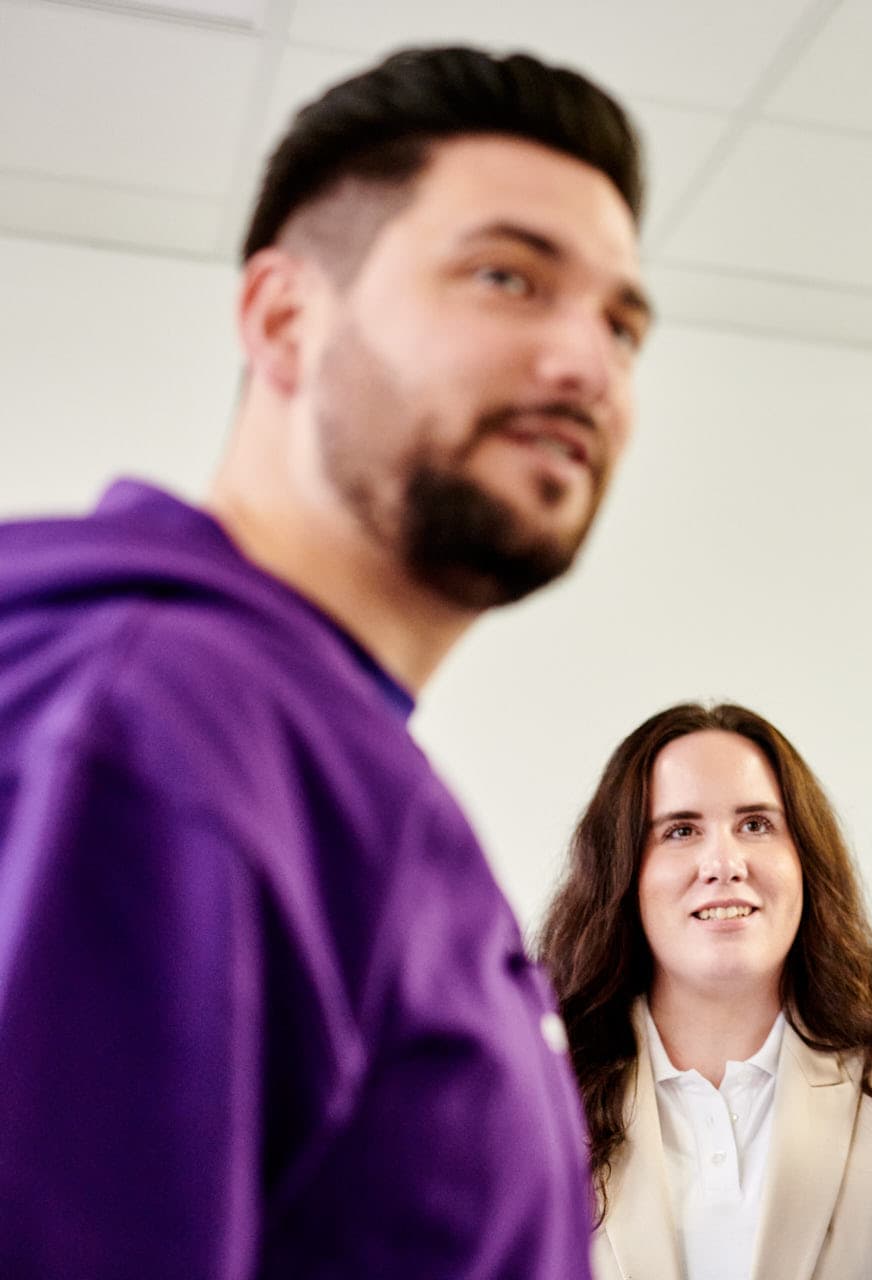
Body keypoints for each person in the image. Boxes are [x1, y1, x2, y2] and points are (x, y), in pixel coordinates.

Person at [0, 47, 650, 1278]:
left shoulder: (322, 756)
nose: (587, 363)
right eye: (507, 276)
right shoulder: (155, 722)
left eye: (622, 323)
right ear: (285, 318)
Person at [538, 703, 872, 1280]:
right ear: (623, 873)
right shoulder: (539, 1091)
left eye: (756, 824)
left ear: (806, 860)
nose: (723, 862)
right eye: (680, 830)